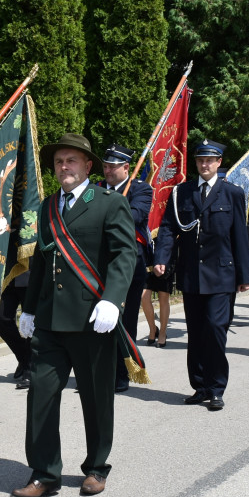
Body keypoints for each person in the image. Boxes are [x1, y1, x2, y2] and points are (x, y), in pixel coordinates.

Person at [12, 133, 135, 497]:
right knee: (41, 396)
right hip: (50, 322)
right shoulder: (48, 207)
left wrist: (113, 300)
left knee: (96, 398)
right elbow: (41, 259)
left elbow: (123, 255)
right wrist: (30, 309)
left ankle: (96, 467)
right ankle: (44, 472)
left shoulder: (109, 203)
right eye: (58, 162)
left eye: (70, 161)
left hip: (91, 319)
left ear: (87, 166)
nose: (63, 167)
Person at [153, 139, 249, 410]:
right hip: (192, 274)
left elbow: (239, 236)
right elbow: (167, 228)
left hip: (222, 275)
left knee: (215, 330)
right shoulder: (181, 193)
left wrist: (245, 275)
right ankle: (200, 386)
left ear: (219, 163)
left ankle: (217, 387)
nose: (204, 164)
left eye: (210, 160)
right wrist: (161, 257)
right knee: (195, 333)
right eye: (200, 160)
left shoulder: (231, 193)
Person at [97, 143, 153, 393]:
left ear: (126, 167)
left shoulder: (141, 189)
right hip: (99, 263)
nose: (107, 171)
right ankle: (99, 372)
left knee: (124, 320)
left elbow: (136, 215)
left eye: (112, 166)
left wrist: (111, 207)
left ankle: (122, 373)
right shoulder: (95, 189)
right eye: (105, 165)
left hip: (130, 263)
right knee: (98, 319)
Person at [0, 270, 33, 390]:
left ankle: (30, 369)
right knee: (0, 319)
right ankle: (24, 358)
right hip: (9, 275)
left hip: (31, 274)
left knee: (31, 324)